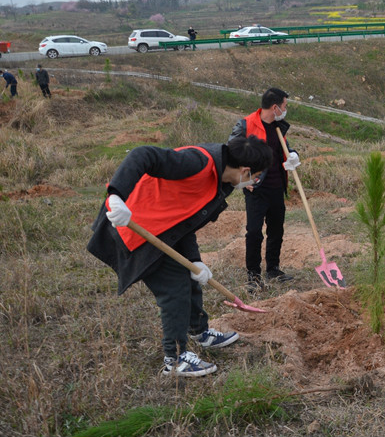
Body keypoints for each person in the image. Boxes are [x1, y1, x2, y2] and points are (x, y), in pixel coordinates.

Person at [87, 136, 273, 377]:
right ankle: (174, 359)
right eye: (255, 176)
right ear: (245, 170)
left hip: (163, 229)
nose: (255, 181)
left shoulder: (219, 181)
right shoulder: (197, 163)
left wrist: (195, 260)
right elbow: (143, 155)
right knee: (174, 288)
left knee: (190, 274)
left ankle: (199, 331)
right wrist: (116, 196)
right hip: (131, 224)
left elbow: (185, 221)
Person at [230, 87, 300, 290]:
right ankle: (253, 276)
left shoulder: (278, 126)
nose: (286, 110)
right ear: (275, 107)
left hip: (277, 188)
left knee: (276, 230)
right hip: (256, 190)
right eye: (285, 106)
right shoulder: (246, 124)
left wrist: (293, 154)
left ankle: (273, 270)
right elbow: (230, 153)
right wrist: (242, 181)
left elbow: (284, 148)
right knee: (254, 232)